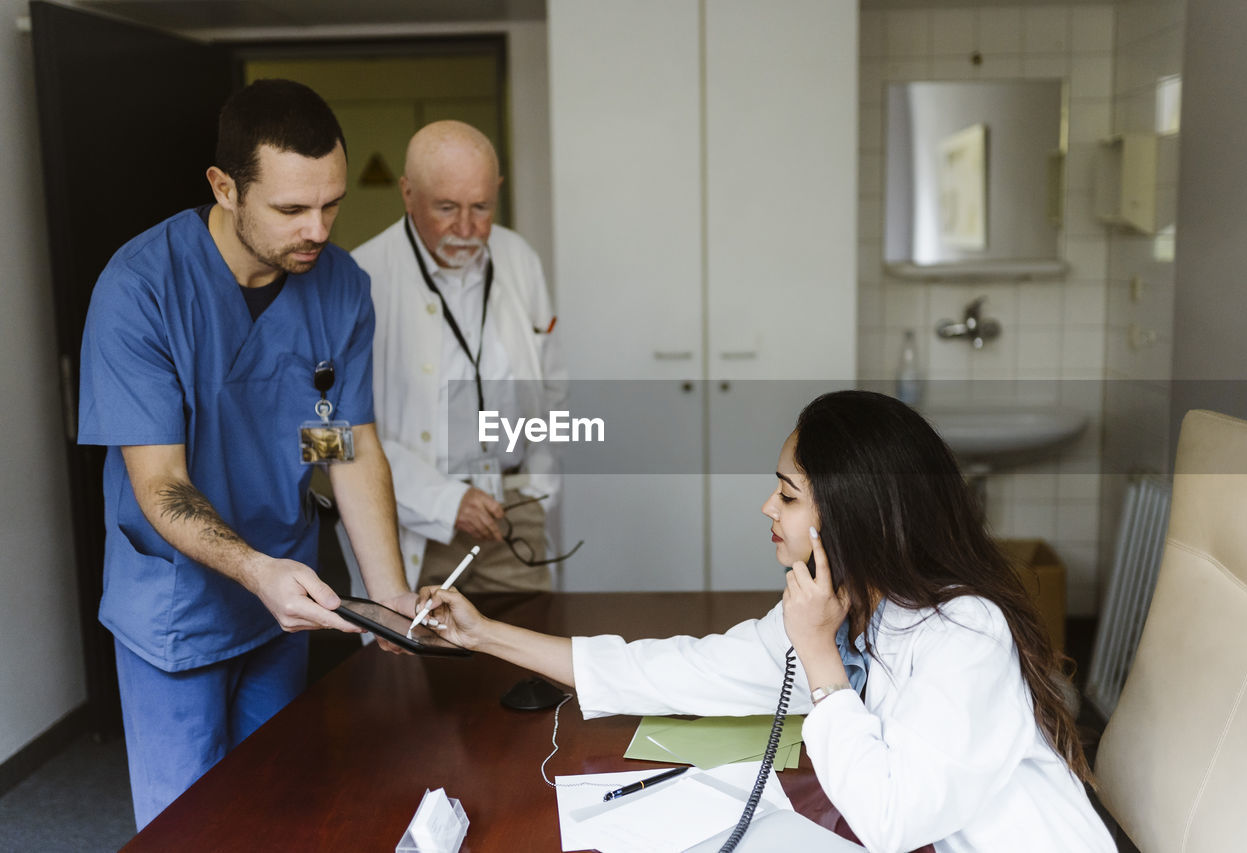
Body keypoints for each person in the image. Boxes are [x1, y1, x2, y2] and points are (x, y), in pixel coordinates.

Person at [416, 391, 1117, 853]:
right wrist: (482, 634)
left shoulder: (964, 631)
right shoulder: (844, 608)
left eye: (786, 493)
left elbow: (893, 818)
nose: (766, 509)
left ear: (852, 511)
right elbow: (671, 669)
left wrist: (817, 658)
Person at [77, 79, 415, 829]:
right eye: (292, 209)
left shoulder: (339, 287)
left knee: (279, 805)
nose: (319, 229)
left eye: (332, 204)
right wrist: (258, 570)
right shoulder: (140, 290)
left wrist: (390, 598)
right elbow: (160, 482)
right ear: (225, 187)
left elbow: (341, 446)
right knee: (191, 826)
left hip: (285, 601)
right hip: (180, 601)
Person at [351, 120, 566, 594]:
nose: (466, 228)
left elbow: (551, 386)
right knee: (419, 662)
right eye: (446, 208)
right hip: (416, 525)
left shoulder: (520, 259)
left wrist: (538, 487)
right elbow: (344, 432)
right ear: (407, 193)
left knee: (531, 660)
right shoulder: (360, 278)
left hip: (513, 512)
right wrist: (444, 502)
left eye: (482, 207)